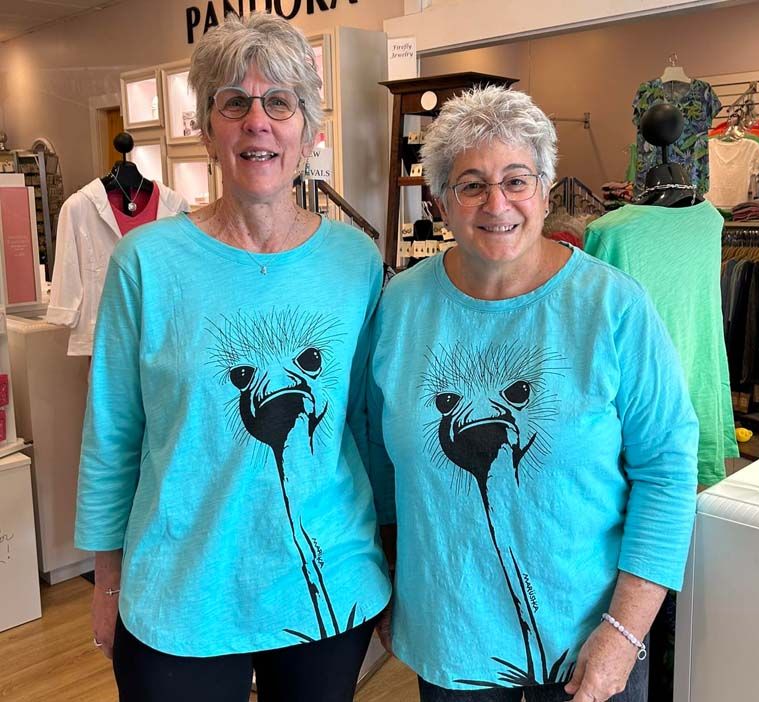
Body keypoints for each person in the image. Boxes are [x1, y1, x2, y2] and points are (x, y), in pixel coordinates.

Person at [75, 13, 391, 702]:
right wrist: (108, 581)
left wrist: (392, 561)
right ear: (206, 127)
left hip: (324, 582)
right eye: (234, 103)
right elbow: (113, 431)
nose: (258, 122)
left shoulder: (353, 261)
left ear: (309, 129)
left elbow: (369, 427)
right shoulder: (146, 264)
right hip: (180, 590)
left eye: (280, 102)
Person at [367, 85, 698, 702]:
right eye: (471, 184)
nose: (497, 203)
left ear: (546, 191)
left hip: (589, 642)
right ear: (441, 201)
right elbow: (378, 463)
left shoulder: (613, 306)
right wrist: (390, 582)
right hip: (449, 636)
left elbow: (667, 470)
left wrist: (624, 632)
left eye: (517, 180)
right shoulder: (399, 307)